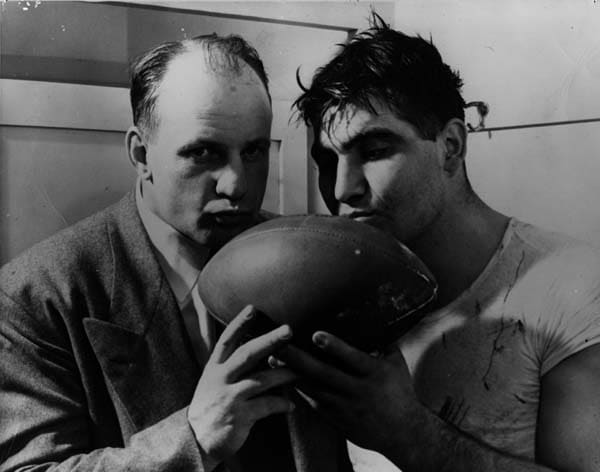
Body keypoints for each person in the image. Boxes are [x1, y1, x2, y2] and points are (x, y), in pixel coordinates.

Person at [0, 34, 351, 471]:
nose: (236, 185)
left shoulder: (305, 258)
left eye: (254, 151)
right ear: (141, 153)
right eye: (204, 153)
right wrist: (193, 437)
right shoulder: (38, 295)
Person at [283, 17, 600, 472]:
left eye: (373, 151)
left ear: (450, 146)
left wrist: (407, 432)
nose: (341, 189)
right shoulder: (349, 298)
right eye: (328, 161)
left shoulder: (574, 286)